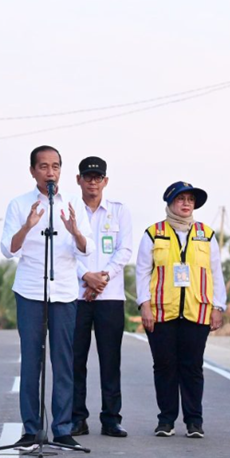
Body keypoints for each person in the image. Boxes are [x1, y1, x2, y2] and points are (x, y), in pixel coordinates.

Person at [1, 145, 94, 451]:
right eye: (43, 166)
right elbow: (8, 249)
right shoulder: (19, 205)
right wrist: (27, 226)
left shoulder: (72, 205)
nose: (50, 172)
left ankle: (63, 429)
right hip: (30, 291)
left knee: (63, 361)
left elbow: (87, 248)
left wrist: (75, 231)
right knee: (32, 361)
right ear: (32, 171)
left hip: (65, 292)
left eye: (55, 166)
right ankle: (31, 429)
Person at [135, 181, 226, 439]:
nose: (186, 204)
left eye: (190, 199)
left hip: (197, 311)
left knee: (193, 367)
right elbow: (142, 272)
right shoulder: (153, 233)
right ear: (170, 202)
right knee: (164, 366)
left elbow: (216, 273)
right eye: (180, 199)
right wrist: (145, 305)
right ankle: (166, 420)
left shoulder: (206, 235)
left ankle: (194, 422)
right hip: (162, 312)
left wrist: (218, 306)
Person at [70, 157, 132, 439]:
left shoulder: (119, 211)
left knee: (110, 360)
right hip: (76, 294)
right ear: (79, 180)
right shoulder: (68, 211)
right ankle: (76, 418)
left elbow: (125, 250)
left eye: (98, 177)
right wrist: (86, 276)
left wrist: (101, 277)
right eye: (88, 176)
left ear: (105, 181)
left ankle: (111, 419)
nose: (93, 182)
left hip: (110, 295)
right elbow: (66, 251)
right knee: (75, 361)